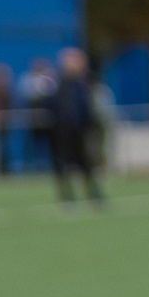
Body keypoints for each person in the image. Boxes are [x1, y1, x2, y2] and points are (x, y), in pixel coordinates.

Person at [48, 48, 104, 206]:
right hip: (62, 131)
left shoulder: (84, 84)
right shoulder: (58, 84)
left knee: (86, 164)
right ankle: (67, 197)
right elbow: (51, 105)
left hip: (81, 131)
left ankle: (94, 195)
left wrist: (89, 125)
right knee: (62, 165)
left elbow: (88, 109)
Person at [18, 57, 57, 168]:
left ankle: (51, 164)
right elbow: (28, 94)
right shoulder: (27, 79)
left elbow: (53, 93)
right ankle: (29, 165)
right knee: (31, 143)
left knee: (50, 142)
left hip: (49, 117)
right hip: (32, 118)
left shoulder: (49, 78)